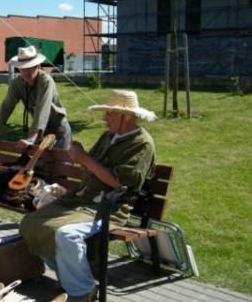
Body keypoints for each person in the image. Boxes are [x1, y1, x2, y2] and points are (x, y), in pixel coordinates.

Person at [19, 89, 157, 301]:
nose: (105, 118)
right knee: (31, 223)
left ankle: (82, 292)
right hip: (82, 200)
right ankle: (73, 279)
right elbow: (89, 165)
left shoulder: (141, 143)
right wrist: (78, 155)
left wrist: (84, 159)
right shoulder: (109, 136)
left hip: (111, 208)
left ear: (125, 116)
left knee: (66, 235)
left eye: (109, 114)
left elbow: (122, 185)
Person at [0, 45, 72, 150]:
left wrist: (31, 138)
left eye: (29, 67)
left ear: (37, 66)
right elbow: (7, 106)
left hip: (58, 128)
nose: (25, 72)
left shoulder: (45, 81)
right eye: (22, 68)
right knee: (41, 164)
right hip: (40, 129)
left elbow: (42, 108)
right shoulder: (17, 83)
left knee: (61, 164)